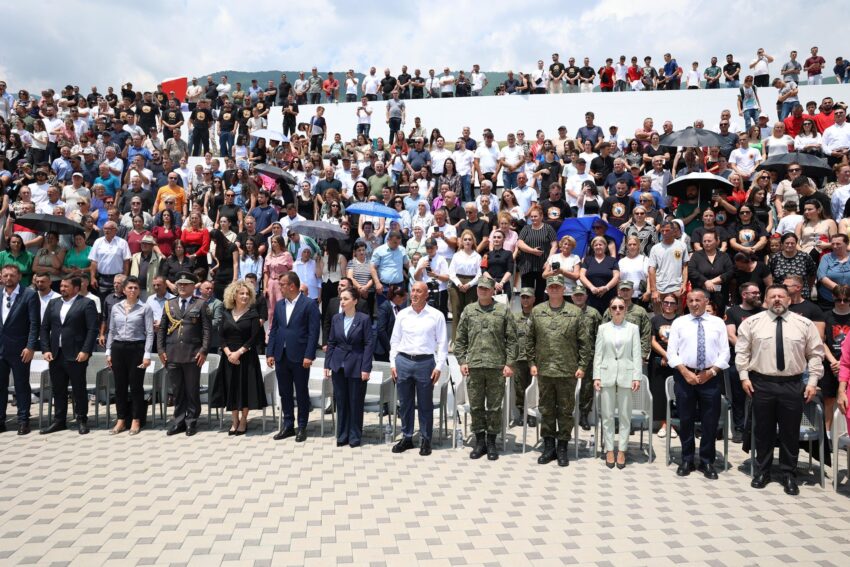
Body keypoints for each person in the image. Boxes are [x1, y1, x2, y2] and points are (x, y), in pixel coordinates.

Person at [736, 284, 824, 496]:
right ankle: (762, 471)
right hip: (761, 383)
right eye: (772, 296)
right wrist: (744, 377)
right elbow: (742, 352)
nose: (777, 299)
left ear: (789, 300)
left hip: (792, 384)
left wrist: (812, 381)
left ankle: (788, 474)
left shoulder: (804, 324)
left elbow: (815, 354)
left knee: (790, 431)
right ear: (766, 300)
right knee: (763, 430)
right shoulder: (752, 323)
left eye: (781, 296)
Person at [666, 288, 731, 479]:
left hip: (710, 377)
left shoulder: (718, 323)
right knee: (685, 419)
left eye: (698, 300)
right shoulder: (679, 322)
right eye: (691, 300)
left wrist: (711, 372)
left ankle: (706, 461)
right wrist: (685, 372)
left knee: (710, 421)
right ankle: (687, 459)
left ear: (706, 301)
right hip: (685, 376)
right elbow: (672, 352)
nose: (694, 304)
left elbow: (725, 353)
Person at [526, 275, 590, 467]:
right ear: (546, 289)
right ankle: (548, 447)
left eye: (558, 286)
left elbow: (584, 342)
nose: (554, 289)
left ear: (564, 289)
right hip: (544, 370)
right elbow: (529, 340)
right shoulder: (537, 311)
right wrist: (531, 363)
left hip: (567, 371)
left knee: (565, 411)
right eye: (551, 286)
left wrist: (582, 366)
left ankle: (562, 447)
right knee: (546, 410)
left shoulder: (575, 312)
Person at [454, 276, 518, 461]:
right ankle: (480, 441)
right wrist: (462, 361)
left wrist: (509, 363)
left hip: (496, 367)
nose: (482, 291)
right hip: (474, 366)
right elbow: (460, 339)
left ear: (493, 291)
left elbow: (512, 340)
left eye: (486, 289)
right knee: (476, 406)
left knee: (494, 407)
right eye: (480, 288)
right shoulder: (469, 310)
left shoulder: (503, 310)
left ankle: (491, 442)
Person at [389, 281, 448, 457]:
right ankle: (407, 437)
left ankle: (425, 439)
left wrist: (439, 366)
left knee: (425, 404)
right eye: (413, 290)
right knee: (405, 403)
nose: (414, 294)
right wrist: (393, 363)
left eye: (419, 291)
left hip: (425, 363)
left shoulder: (436, 316)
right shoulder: (402, 314)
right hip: (403, 361)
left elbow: (442, 343)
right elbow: (395, 340)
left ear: (426, 295)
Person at [39, 276, 99, 435]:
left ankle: (81, 420)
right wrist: (46, 349)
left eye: (66, 286)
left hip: (76, 354)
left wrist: (86, 350)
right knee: (58, 389)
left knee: (79, 389)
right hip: (56, 354)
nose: (62, 289)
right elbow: (44, 328)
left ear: (76, 288)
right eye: (61, 286)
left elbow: (92, 329)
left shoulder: (86, 303)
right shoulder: (53, 303)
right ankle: (59, 421)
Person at [266, 271, 321, 443]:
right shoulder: (280, 305)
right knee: (285, 392)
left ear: (292, 286)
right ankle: (288, 425)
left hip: (300, 356)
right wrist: (270, 352)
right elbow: (274, 329)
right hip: (281, 355)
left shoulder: (309, 304)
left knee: (302, 392)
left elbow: (314, 332)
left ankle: (302, 426)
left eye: (282, 284)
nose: (279, 287)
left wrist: (309, 355)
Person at [157, 272, 210, 437]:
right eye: (179, 284)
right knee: (177, 390)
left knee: (191, 390)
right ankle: (179, 421)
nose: (181, 286)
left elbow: (207, 330)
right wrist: (160, 350)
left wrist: (203, 350)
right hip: (172, 354)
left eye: (185, 284)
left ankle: (191, 421)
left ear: (193, 286)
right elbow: (162, 329)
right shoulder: (169, 304)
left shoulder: (200, 304)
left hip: (193, 354)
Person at [594, 296, 642, 469]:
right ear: (610, 310)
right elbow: (598, 353)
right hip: (606, 373)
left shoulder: (633, 329)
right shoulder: (603, 328)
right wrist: (596, 376)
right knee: (607, 415)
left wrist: (636, 376)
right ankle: (609, 449)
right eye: (614, 307)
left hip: (626, 374)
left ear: (625, 309)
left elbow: (636, 354)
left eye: (621, 307)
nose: (618, 310)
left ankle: (621, 450)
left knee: (624, 415)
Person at [212, 280, 266, 436]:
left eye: (247, 294)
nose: (244, 296)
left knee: (245, 389)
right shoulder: (225, 313)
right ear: (234, 295)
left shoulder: (253, 314)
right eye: (241, 293)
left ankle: (243, 420)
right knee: (232, 388)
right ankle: (234, 420)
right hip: (228, 358)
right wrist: (229, 353)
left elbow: (254, 338)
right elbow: (221, 336)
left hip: (246, 358)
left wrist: (238, 353)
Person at [324, 287, 375, 448]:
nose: (342, 302)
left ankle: (354, 436)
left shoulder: (364, 319)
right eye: (341, 299)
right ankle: (342, 435)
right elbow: (331, 342)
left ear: (355, 301)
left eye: (346, 299)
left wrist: (366, 368)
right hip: (338, 365)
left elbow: (368, 344)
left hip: (356, 365)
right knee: (341, 401)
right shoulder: (336, 318)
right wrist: (327, 364)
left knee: (355, 402)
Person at [104, 276, 153, 435]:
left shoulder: (145, 308)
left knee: (136, 386)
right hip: (118, 348)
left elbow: (150, 333)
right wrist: (108, 351)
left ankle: (136, 419)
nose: (133, 290)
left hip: (137, 348)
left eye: (136, 288)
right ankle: (121, 419)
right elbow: (111, 330)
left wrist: (147, 354)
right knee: (120, 386)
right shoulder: (116, 307)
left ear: (139, 291)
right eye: (130, 287)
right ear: (124, 290)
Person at [0, 265, 40, 435]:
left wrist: (30, 346)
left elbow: (34, 323)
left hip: (20, 349)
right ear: (1, 277)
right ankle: (1, 421)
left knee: (21, 385)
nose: (8, 278)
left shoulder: (29, 294)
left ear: (19, 277)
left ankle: (23, 420)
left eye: (12, 275)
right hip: (1, 349)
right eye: (5, 275)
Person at [688, 230, 734, 313]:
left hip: (720, 291)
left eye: (709, 241)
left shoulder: (724, 256)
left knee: (719, 312)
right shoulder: (696, 255)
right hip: (701, 291)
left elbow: (730, 271)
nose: (706, 243)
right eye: (704, 241)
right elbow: (691, 271)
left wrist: (713, 282)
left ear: (717, 241)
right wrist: (705, 281)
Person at [510, 287, 536, 426]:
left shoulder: (538, 316)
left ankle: (531, 414)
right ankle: (521, 412)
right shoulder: (514, 318)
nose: (525, 300)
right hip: (519, 358)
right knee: (519, 387)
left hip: (535, 360)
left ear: (533, 299)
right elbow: (510, 338)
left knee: (534, 387)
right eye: (523, 297)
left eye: (528, 297)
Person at [580, 236, 620, 313]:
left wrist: (606, 288)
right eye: (596, 245)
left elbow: (617, 276)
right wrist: (591, 287)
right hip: (591, 298)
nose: (598, 247)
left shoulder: (612, 260)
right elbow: (581, 276)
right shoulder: (587, 260)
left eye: (600, 245)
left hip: (609, 297)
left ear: (605, 246)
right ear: (593, 247)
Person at [375, 285, 408, 363]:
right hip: (384, 349)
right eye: (403, 299)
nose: (404, 301)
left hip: (395, 347)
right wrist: (390, 348)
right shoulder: (384, 307)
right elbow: (381, 330)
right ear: (397, 297)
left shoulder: (398, 308)